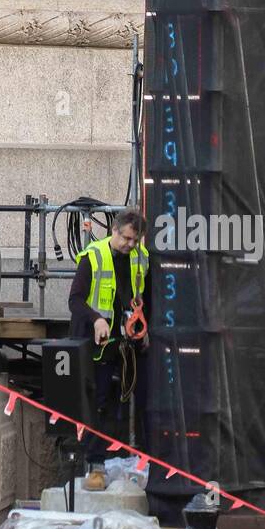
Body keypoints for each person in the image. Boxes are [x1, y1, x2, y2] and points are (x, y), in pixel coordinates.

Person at [68, 208, 149, 491]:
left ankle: (124, 459)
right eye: (126, 238)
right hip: (97, 344)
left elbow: (141, 296)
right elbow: (75, 300)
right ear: (114, 231)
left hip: (125, 343)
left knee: (119, 402)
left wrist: (142, 324)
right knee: (98, 404)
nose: (129, 244)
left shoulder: (139, 257)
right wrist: (96, 319)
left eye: (134, 240)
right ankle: (95, 465)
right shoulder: (94, 257)